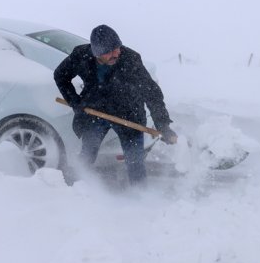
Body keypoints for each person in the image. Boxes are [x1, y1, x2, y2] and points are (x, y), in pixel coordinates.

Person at [53, 24, 177, 184]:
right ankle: (76, 188)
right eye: (110, 51)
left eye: (117, 47)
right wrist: (75, 102)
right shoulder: (81, 55)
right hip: (94, 112)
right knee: (87, 154)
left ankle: (141, 196)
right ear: (97, 53)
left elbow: (151, 92)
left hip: (128, 115)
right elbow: (60, 75)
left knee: (134, 160)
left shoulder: (130, 59)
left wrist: (163, 124)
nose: (117, 52)